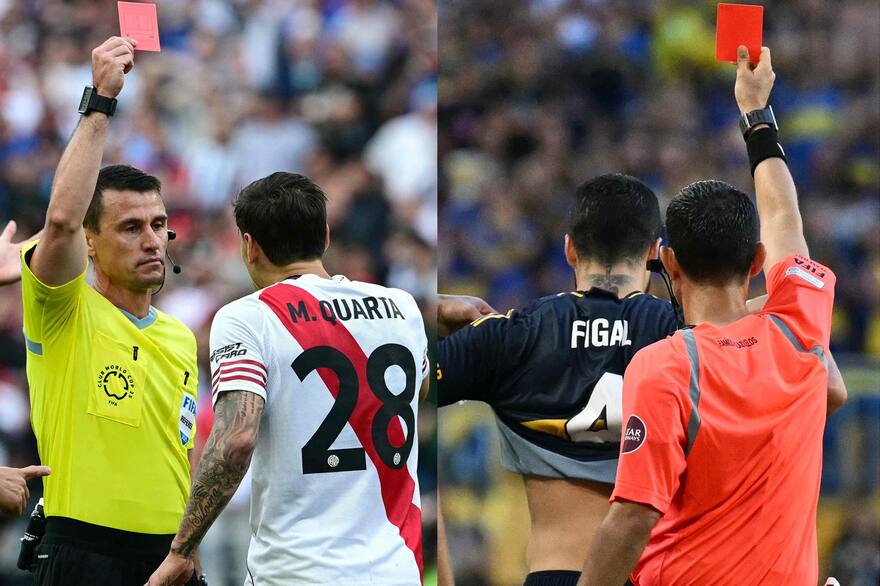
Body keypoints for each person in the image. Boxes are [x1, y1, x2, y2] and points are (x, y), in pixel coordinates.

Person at [576, 46, 845, 585]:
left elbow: (632, 517)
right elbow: (784, 216)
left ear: (668, 262)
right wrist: (755, 113)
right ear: (756, 262)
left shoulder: (666, 367)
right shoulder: (798, 326)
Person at [147, 172, 430, 586]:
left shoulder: (249, 317)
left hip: (297, 570)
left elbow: (235, 441)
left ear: (250, 246)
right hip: (397, 568)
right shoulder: (402, 308)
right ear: (325, 236)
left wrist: (182, 548)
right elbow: (417, 391)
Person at [438, 173, 682, 586]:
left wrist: (436, 305)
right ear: (654, 252)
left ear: (569, 249)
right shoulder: (683, 335)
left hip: (558, 572)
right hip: (659, 573)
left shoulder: (512, 335)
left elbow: (386, 375)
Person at [20, 37, 200, 585]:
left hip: (170, 557)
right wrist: (100, 101)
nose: (152, 240)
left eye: (158, 225)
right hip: (83, 553)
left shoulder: (180, 336)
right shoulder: (62, 309)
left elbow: (180, 455)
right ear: (91, 243)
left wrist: (187, 547)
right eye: (130, 227)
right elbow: (60, 221)